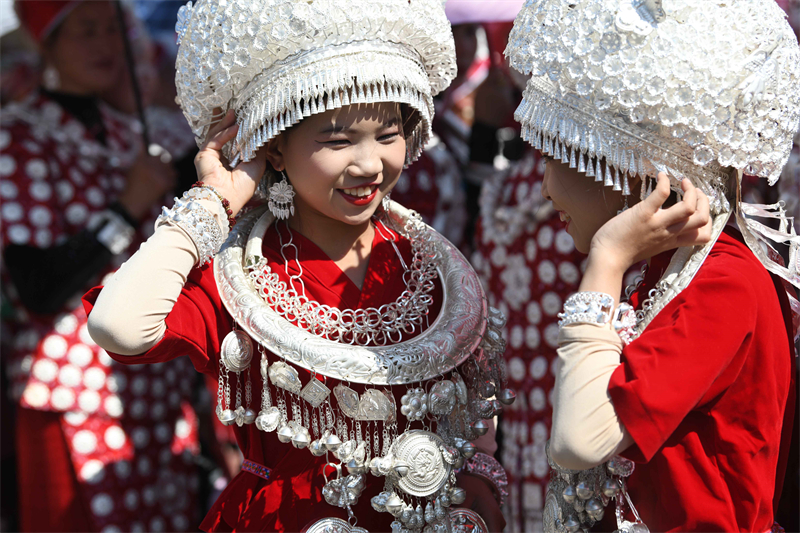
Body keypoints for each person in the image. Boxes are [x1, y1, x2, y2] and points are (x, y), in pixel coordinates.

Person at [84, 0, 515, 530]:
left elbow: (477, 433)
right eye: (336, 140)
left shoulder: (424, 263)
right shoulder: (238, 273)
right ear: (276, 150)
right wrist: (215, 200)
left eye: (388, 134)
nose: (369, 164)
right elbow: (117, 326)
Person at [504, 0, 799, 531]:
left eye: (556, 157)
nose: (545, 188)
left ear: (629, 170)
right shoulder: (666, 267)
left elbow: (580, 441)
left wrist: (608, 256)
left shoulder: (721, 282)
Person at [0, 1, 203, 530]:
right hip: (73, 399)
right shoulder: (19, 138)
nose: (105, 44)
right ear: (46, 42)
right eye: (85, 31)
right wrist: (124, 209)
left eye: (114, 28)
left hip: (159, 393)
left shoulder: (144, 135)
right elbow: (37, 288)